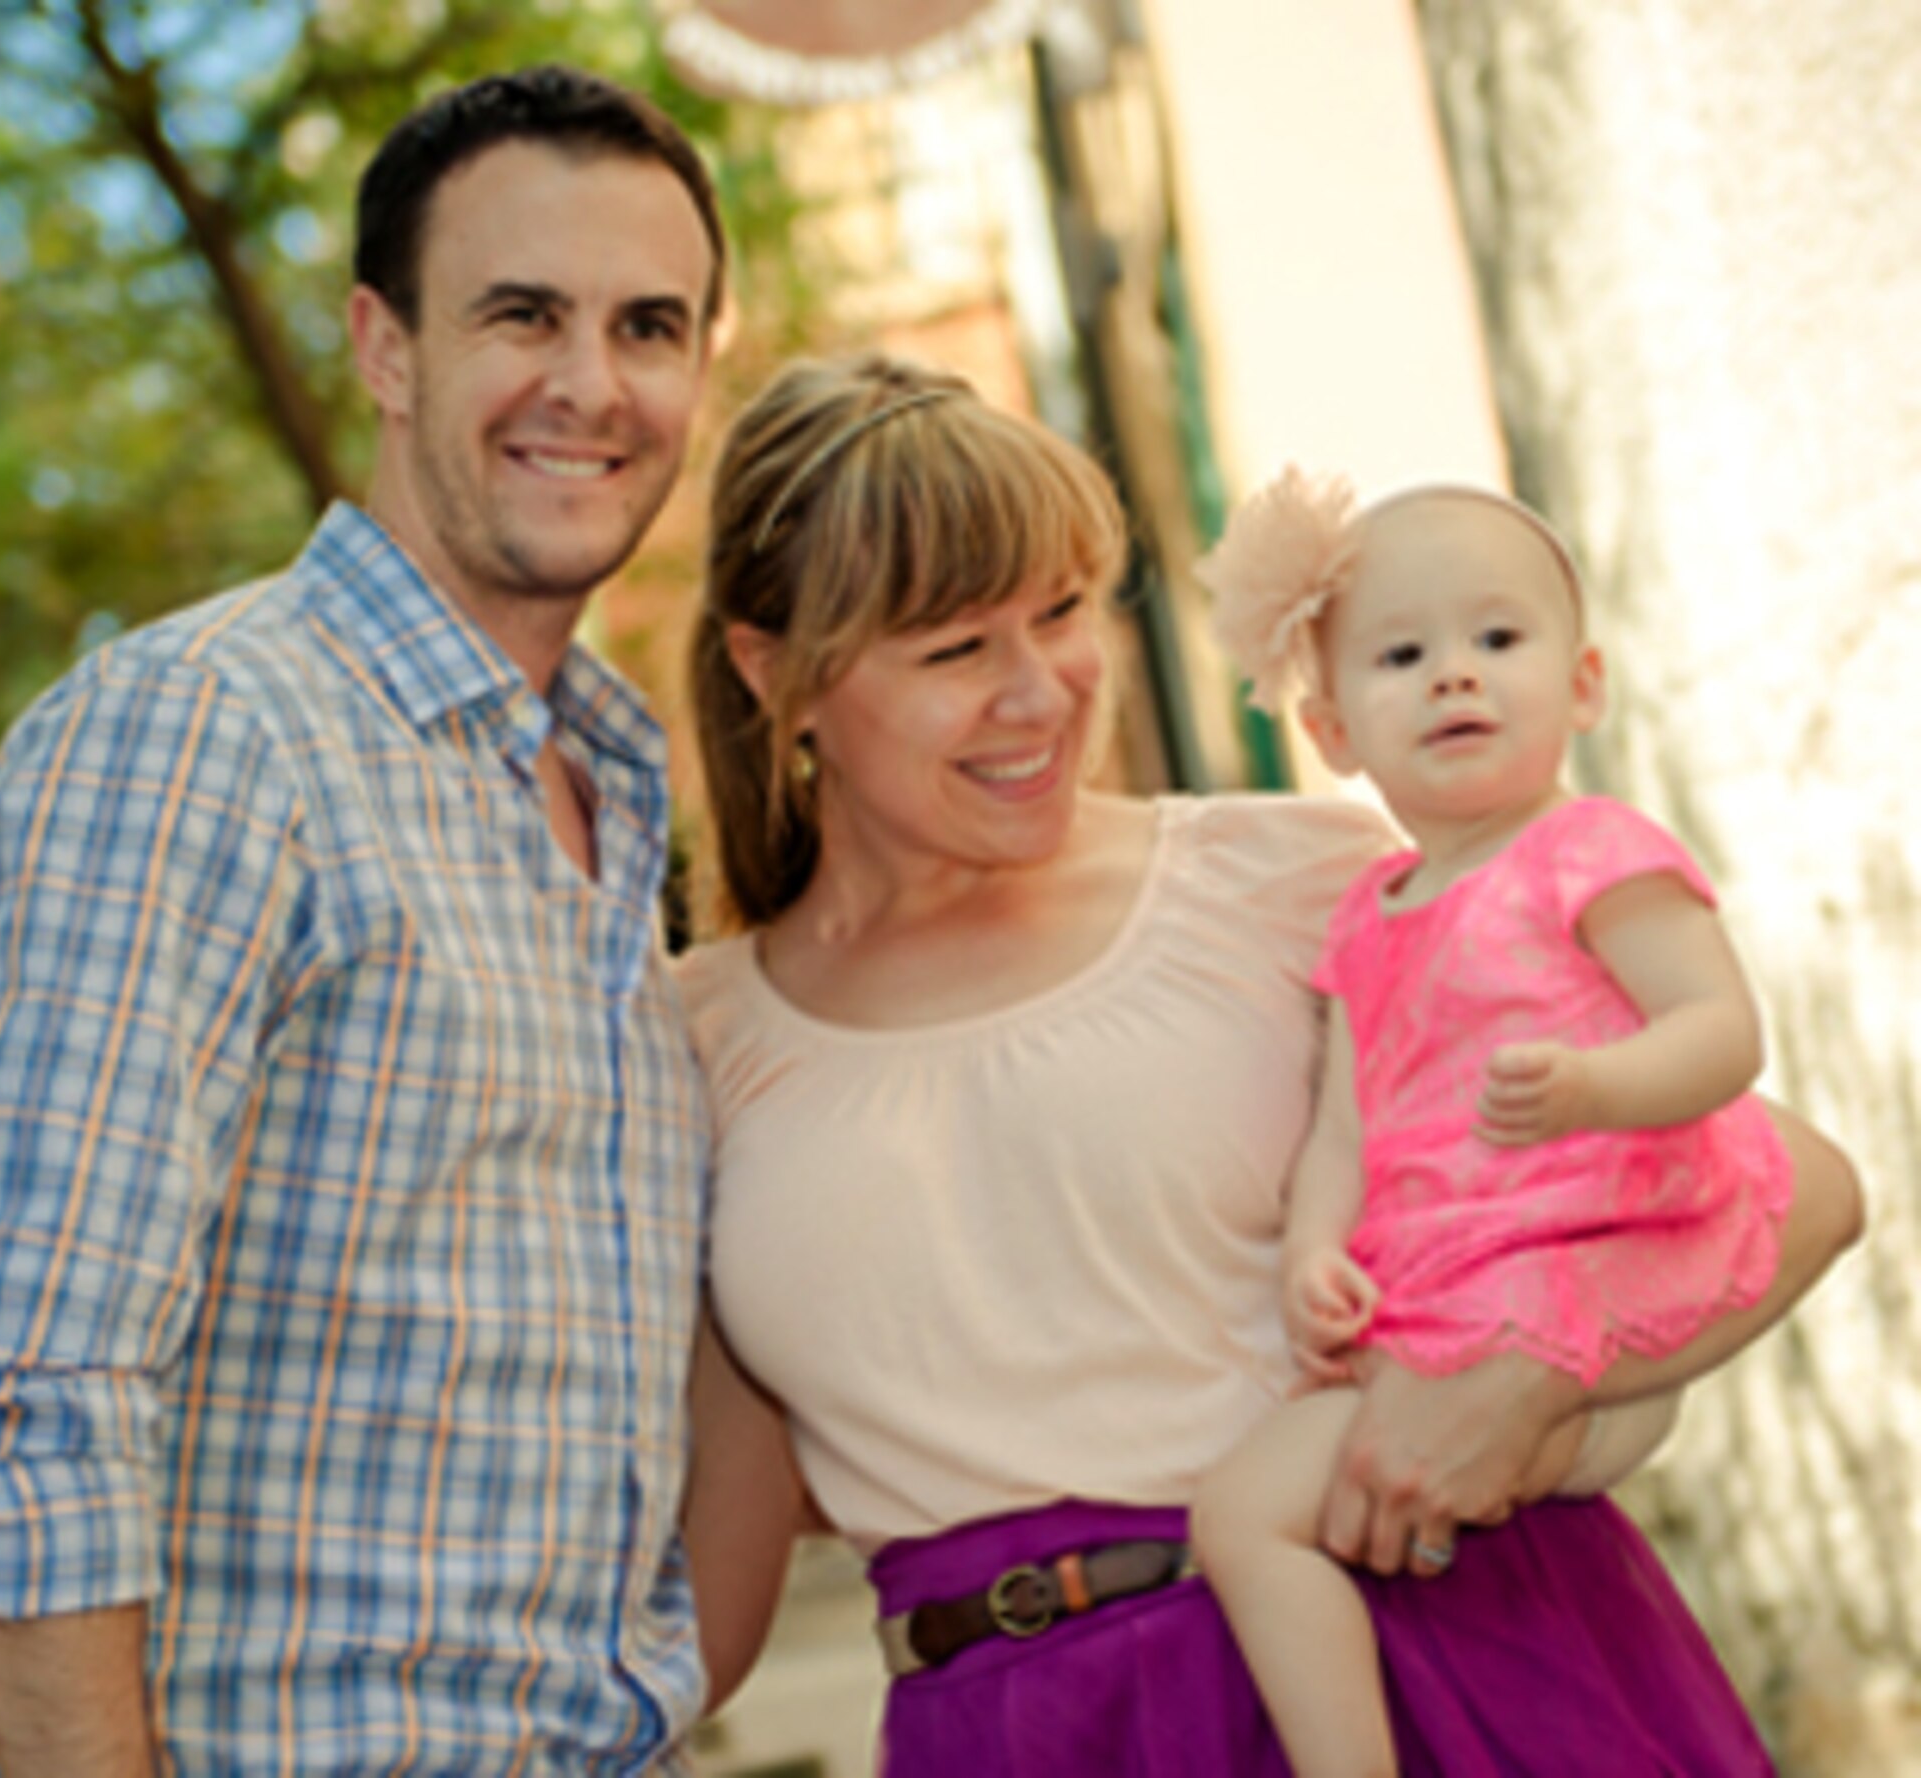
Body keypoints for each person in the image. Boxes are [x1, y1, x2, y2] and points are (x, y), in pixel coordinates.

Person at [674, 351, 1862, 1776]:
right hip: (1018, 1735)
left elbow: (1793, 1185)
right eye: (952, 650)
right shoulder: (689, 1045)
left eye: (1061, 611)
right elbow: (707, 1584)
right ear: (774, 676)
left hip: (1426, 1662)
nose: (1040, 690)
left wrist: (1528, 1384)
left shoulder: (1299, 880)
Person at [0, 67, 723, 1775]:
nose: (591, 386)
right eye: (523, 314)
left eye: (648, 326)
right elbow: (20, 1381)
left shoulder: (602, 794)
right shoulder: (208, 733)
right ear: (385, 346)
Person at [1186, 468, 1797, 1777]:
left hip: (1590, 1262)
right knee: (1242, 1513)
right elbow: (1346, 1127)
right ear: (1335, 729)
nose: (1454, 676)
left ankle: (1561, 1445)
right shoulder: (1367, 914)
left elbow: (1721, 1029)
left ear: (1582, 686)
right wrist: (1312, 1252)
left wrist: (1597, 1087)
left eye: (1497, 640)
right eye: (1403, 655)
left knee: (1259, 1510)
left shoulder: (1591, 849)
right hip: (1441, 1308)